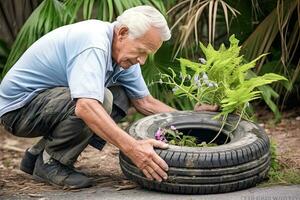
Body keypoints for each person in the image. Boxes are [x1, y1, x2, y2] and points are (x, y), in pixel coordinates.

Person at [0, 6, 217, 189]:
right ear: (122, 32)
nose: (142, 61)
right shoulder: (93, 41)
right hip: (18, 110)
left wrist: (191, 119)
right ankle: (50, 163)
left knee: (120, 96)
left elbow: (145, 102)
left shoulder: (124, 54)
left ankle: (36, 154)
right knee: (100, 99)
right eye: (141, 51)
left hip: (48, 103)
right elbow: (85, 106)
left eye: (147, 55)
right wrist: (133, 148)